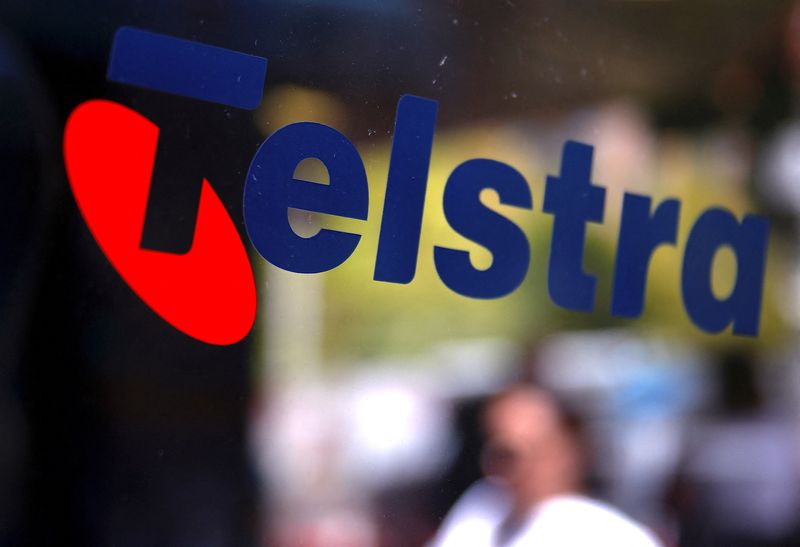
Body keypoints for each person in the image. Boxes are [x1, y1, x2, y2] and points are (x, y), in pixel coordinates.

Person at [429, 384, 662, 547]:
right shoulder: (483, 504)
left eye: (510, 453)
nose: (494, 466)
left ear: (564, 451)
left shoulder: (609, 535)